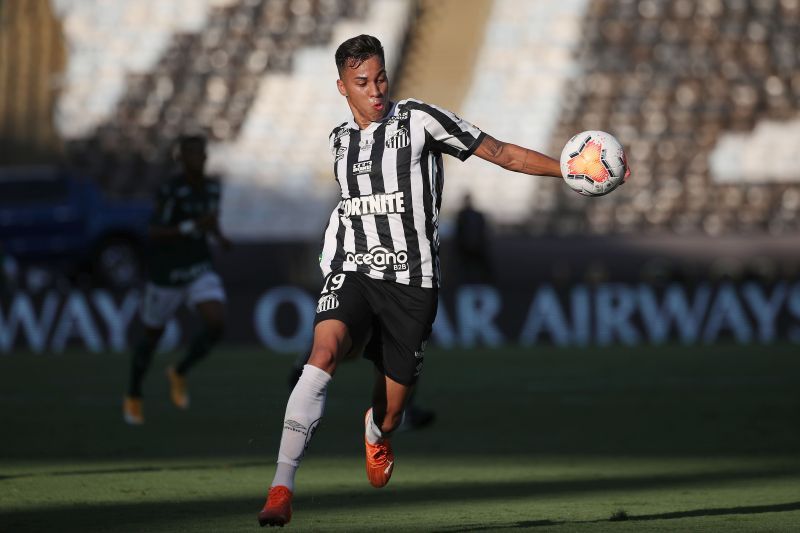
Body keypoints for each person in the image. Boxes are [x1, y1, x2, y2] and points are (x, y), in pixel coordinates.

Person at [257, 34, 629, 527]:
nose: (375, 90)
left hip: (413, 286)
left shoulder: (420, 121)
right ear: (342, 87)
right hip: (354, 271)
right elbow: (349, 209)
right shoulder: (338, 142)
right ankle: (282, 487)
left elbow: (500, 153)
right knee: (321, 354)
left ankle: (377, 433)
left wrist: (567, 170)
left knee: (390, 411)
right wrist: (333, 257)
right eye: (362, 82)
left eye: (380, 78)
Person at [123, 134, 232, 425]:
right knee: (151, 338)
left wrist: (220, 238)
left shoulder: (212, 188)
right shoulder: (170, 190)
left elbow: (210, 221)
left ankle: (180, 370)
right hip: (167, 274)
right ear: (180, 158)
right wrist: (192, 226)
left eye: (201, 153)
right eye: (191, 153)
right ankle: (134, 394)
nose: (198, 158)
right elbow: (155, 232)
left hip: (198, 268)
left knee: (216, 323)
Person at [455, 193, 492, 283]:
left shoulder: (463, 215)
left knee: (471, 267)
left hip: (471, 247)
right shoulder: (465, 215)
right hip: (472, 247)